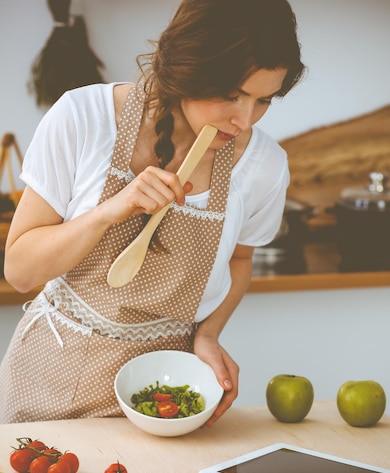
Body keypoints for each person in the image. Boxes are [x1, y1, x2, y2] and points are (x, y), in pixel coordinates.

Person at [0, 0, 305, 425]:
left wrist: (209, 335)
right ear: (188, 68)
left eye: (263, 100)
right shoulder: (82, 118)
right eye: (231, 95)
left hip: (160, 396)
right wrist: (110, 212)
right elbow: (19, 271)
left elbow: (240, 260)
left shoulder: (263, 166)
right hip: (45, 381)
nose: (245, 120)